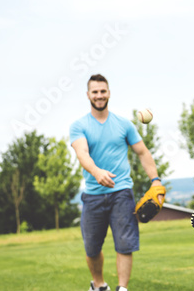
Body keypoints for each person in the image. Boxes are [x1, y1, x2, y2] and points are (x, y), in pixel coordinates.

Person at [70, 74, 163, 291]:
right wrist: (96, 171)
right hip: (93, 195)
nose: (99, 95)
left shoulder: (124, 124)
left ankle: (122, 288)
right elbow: (81, 153)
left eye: (103, 91)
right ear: (88, 95)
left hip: (122, 192)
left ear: (109, 93)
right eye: (95, 92)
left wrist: (156, 181)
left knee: (125, 244)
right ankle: (100, 285)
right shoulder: (78, 126)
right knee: (92, 248)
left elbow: (143, 152)